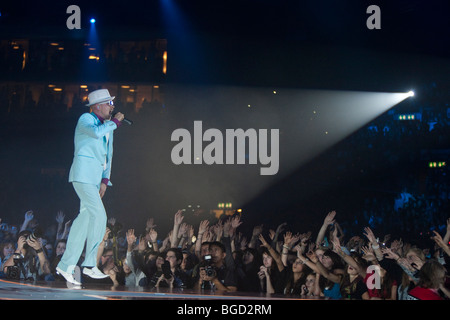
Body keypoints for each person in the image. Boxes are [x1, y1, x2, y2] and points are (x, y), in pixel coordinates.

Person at [56, 89, 125, 286]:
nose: (112, 107)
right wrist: (115, 123)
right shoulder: (86, 119)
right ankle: (89, 264)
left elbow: (108, 156)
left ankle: (66, 265)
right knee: (100, 216)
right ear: (97, 106)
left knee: (84, 220)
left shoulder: (107, 126)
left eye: (112, 104)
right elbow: (95, 133)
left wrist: (105, 181)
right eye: (109, 103)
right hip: (82, 175)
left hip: (95, 179)